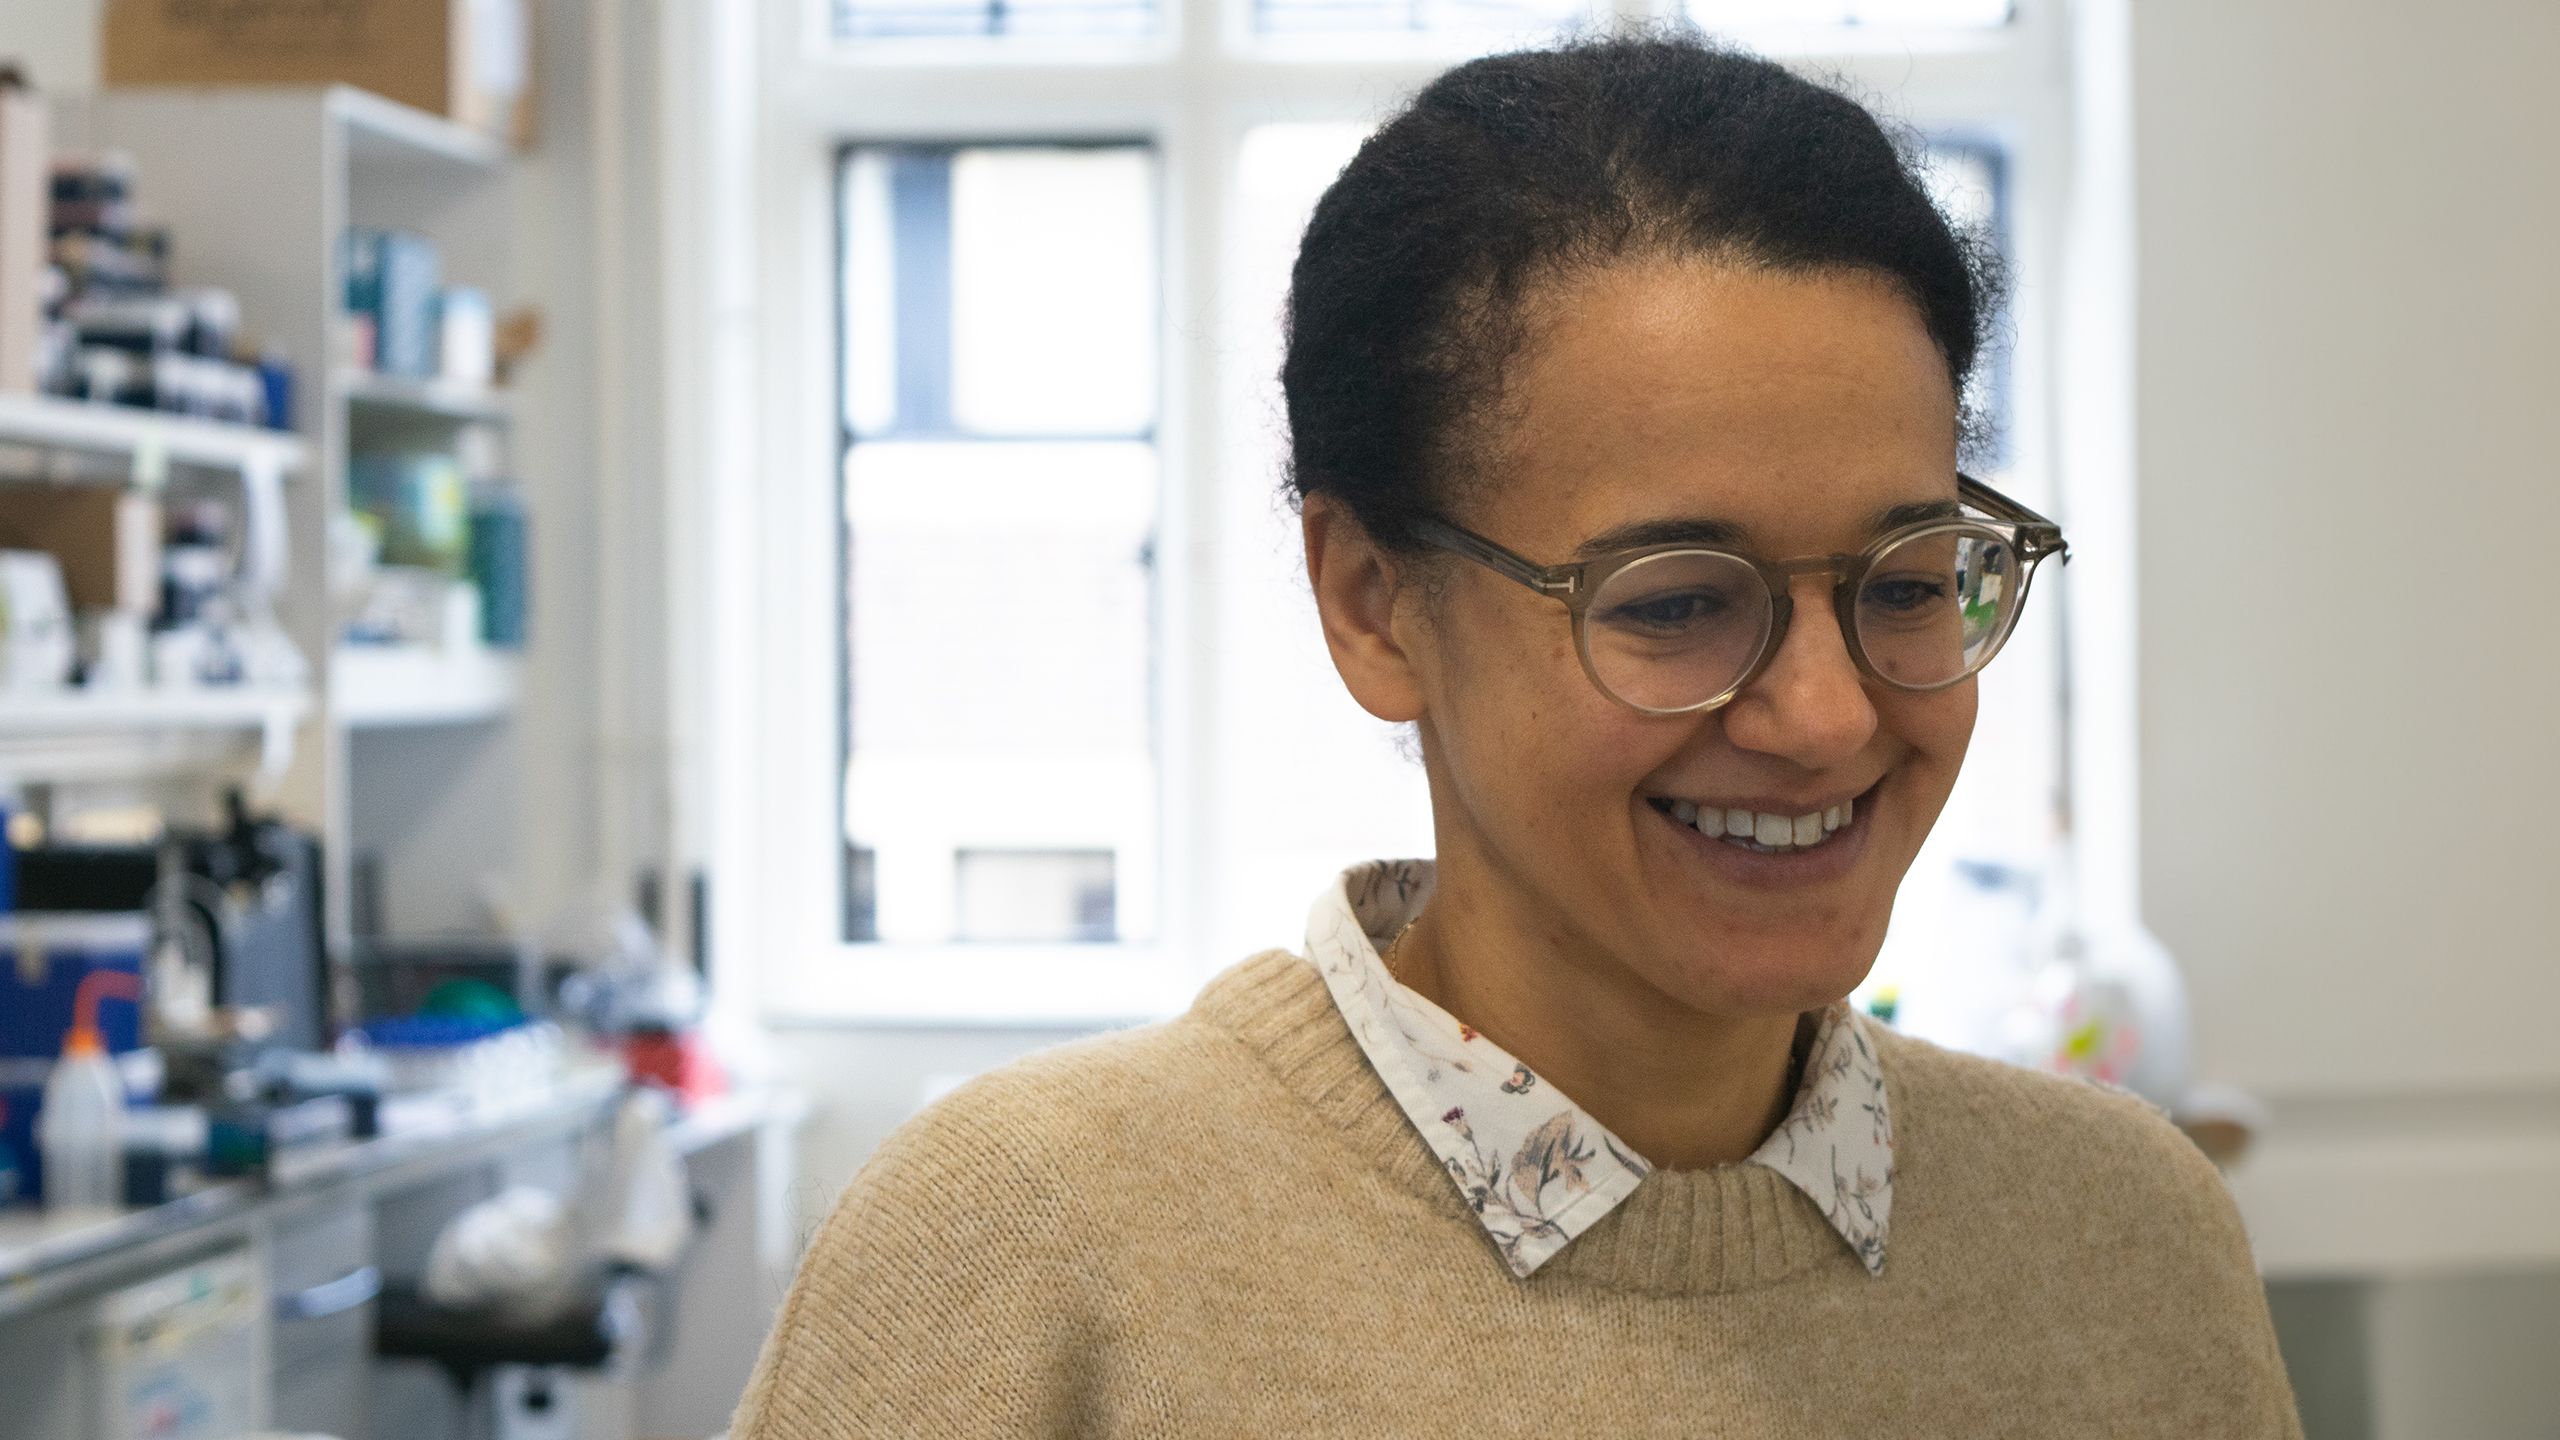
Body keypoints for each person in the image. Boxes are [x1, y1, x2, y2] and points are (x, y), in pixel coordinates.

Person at [731, 29, 2304, 1438]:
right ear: (1370, 600)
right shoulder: (1029, 1256)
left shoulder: (2124, 1244)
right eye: (1679, 601)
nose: (1826, 716)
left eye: (1902, 582)